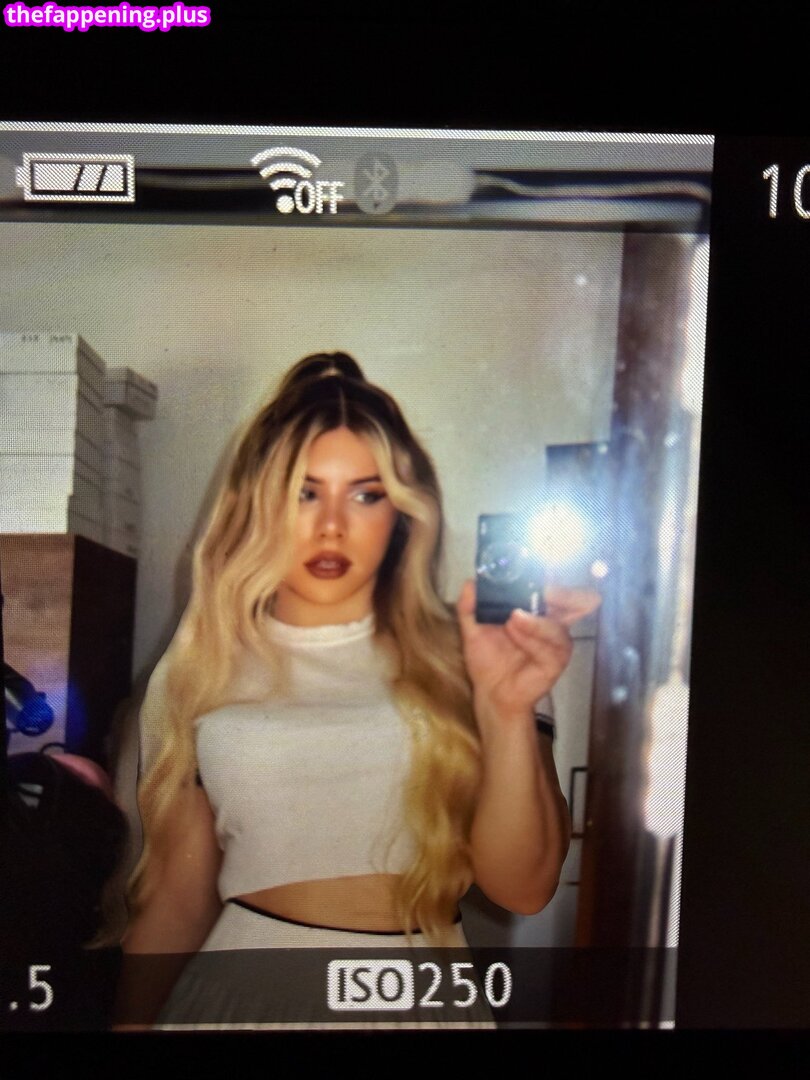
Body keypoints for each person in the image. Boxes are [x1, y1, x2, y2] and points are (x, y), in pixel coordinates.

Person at [115, 352, 599, 1030]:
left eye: (366, 495)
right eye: (304, 492)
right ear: (260, 504)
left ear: (401, 512)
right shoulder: (204, 661)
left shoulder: (475, 656)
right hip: (235, 1002)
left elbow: (524, 888)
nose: (332, 525)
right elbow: (175, 900)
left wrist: (506, 709)